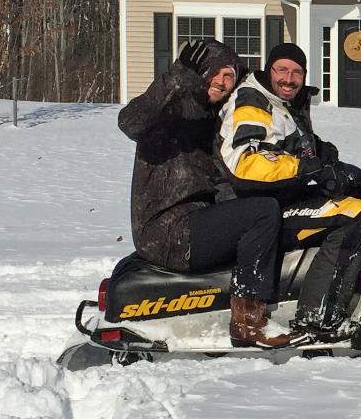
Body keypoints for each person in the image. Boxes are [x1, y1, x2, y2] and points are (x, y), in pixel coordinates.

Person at [118, 39, 301, 349]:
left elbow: (227, 179)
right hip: (168, 229)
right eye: (214, 73)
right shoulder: (173, 109)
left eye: (229, 76)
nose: (222, 81)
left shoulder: (210, 119)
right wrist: (177, 78)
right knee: (262, 212)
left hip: (191, 221)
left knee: (264, 209)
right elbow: (130, 121)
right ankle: (248, 323)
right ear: (199, 75)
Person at [219, 43, 361, 342]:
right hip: (255, 208)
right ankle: (318, 318)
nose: (289, 79)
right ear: (269, 70)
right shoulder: (253, 102)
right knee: (353, 215)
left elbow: (286, 143)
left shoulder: (279, 101)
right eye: (282, 70)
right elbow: (246, 163)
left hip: (278, 200)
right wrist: (307, 168)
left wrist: (322, 153)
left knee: (357, 199)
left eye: (297, 72)